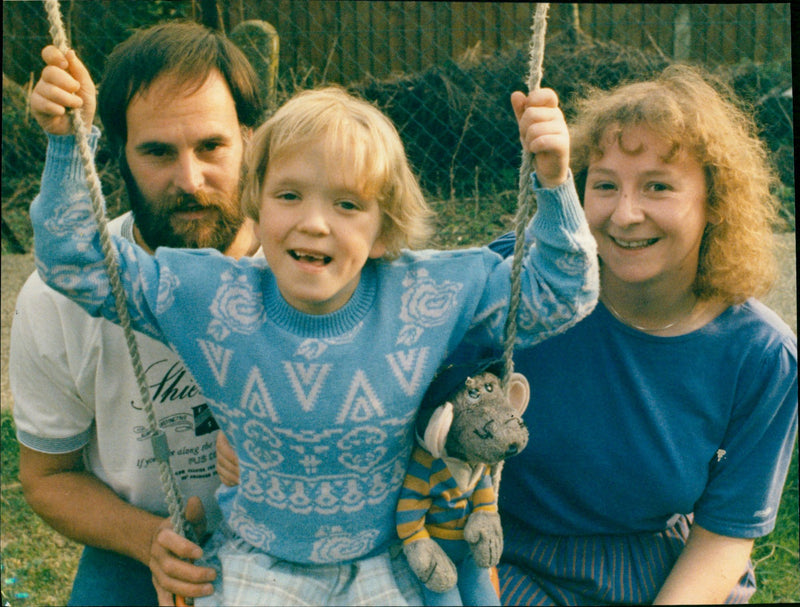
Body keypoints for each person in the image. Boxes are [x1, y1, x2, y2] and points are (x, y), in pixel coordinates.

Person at [28, 75, 599, 604]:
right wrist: (65, 142)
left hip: (385, 559)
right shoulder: (212, 297)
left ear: (384, 228)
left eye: (347, 204)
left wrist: (552, 182)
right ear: (257, 202)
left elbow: (561, 294)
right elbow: (76, 260)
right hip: (261, 563)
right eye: (289, 196)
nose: (314, 223)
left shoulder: (425, 295)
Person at [490, 65, 797, 605]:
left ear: (714, 203)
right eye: (605, 185)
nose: (626, 215)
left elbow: (726, 533)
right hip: (512, 553)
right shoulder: (521, 287)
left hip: (661, 565)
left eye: (658, 186)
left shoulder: (762, 354)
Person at [11, 21, 263, 606]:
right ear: (117, 153)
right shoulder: (58, 298)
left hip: (294, 536)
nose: (190, 181)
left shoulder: (305, 273)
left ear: (249, 139)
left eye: (211, 146)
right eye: (156, 152)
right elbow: (47, 477)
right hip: (139, 537)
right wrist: (149, 539)